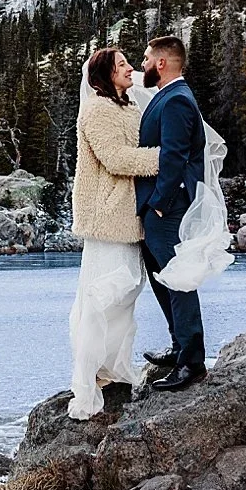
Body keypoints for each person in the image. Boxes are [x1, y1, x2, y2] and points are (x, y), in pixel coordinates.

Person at [66, 47, 159, 420]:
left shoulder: (129, 107)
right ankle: (87, 378)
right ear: (105, 74)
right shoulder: (97, 110)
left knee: (127, 291)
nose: (130, 69)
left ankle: (112, 367)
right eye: (122, 65)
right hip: (106, 216)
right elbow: (116, 159)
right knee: (104, 293)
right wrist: (164, 157)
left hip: (127, 214)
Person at [134, 34, 208, 390]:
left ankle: (192, 362)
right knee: (161, 277)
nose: (143, 64)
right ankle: (180, 346)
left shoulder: (177, 100)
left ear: (162, 63)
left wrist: (160, 206)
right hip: (160, 206)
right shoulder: (170, 95)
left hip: (169, 206)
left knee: (178, 279)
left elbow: (174, 157)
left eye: (147, 58)